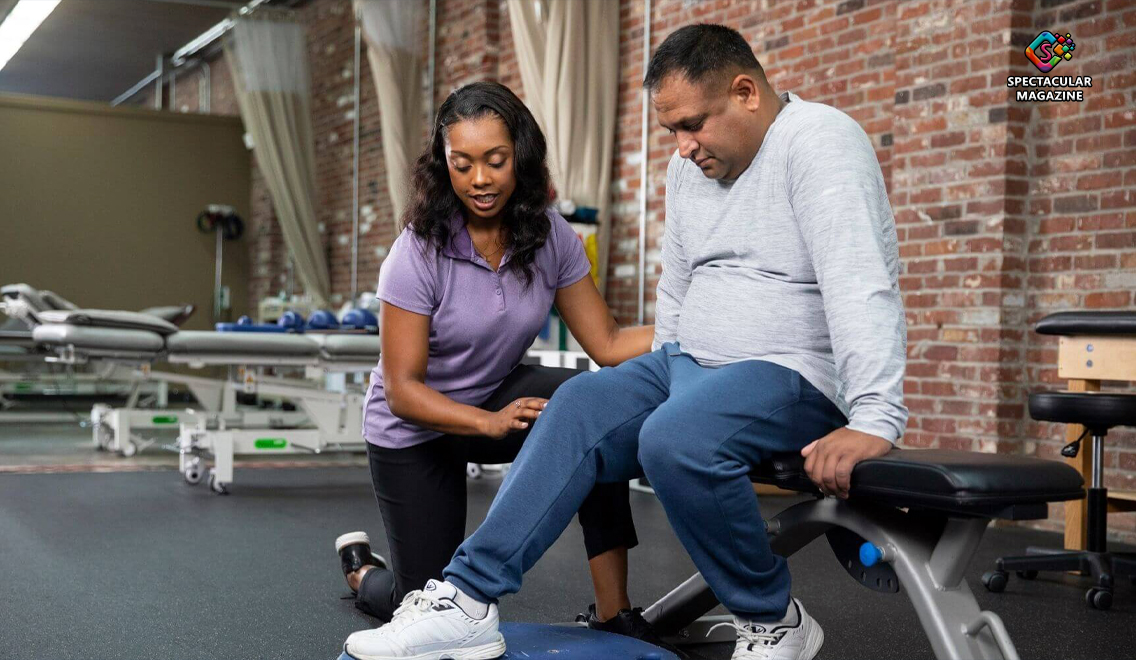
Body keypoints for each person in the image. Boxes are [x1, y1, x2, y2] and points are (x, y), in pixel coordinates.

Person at [341, 23, 908, 660]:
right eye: (671, 130)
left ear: (747, 92)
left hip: (787, 371)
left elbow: (862, 283)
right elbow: (678, 286)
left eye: (692, 124)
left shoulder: (821, 143)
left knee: (676, 437)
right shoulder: (689, 168)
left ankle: (773, 617)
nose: (682, 146)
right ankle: (469, 598)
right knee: (580, 403)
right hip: (680, 364)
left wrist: (875, 415)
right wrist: (668, 360)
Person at [335, 81, 661, 643]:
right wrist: (488, 422)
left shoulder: (550, 234)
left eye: (495, 161)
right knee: (417, 604)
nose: (479, 180)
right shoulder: (416, 251)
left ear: (522, 156)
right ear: (444, 165)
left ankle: (615, 612)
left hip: (494, 391)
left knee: (593, 414)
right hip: (413, 429)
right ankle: (365, 571)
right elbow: (402, 391)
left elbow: (605, 342)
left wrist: (698, 328)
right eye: (461, 165)